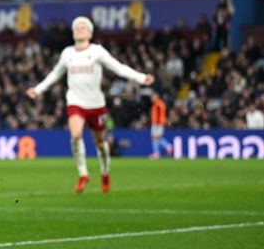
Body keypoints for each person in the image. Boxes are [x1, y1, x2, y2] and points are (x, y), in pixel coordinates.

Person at [26, 16, 154, 193]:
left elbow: (118, 67)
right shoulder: (67, 54)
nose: (79, 29)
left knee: (101, 144)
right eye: (77, 27)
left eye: (83, 27)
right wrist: (38, 89)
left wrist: (140, 77)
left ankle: (105, 172)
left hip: (96, 104)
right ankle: (83, 173)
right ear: (72, 32)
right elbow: (55, 74)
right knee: (76, 134)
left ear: (90, 33)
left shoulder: (97, 52)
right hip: (75, 101)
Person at [149, 91, 173, 159]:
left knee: (156, 138)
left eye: (152, 96)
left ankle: (165, 148)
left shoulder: (158, 104)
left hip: (158, 123)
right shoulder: (159, 103)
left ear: (156, 96)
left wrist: (157, 123)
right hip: (158, 123)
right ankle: (158, 152)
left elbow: (159, 114)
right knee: (156, 138)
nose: (151, 98)